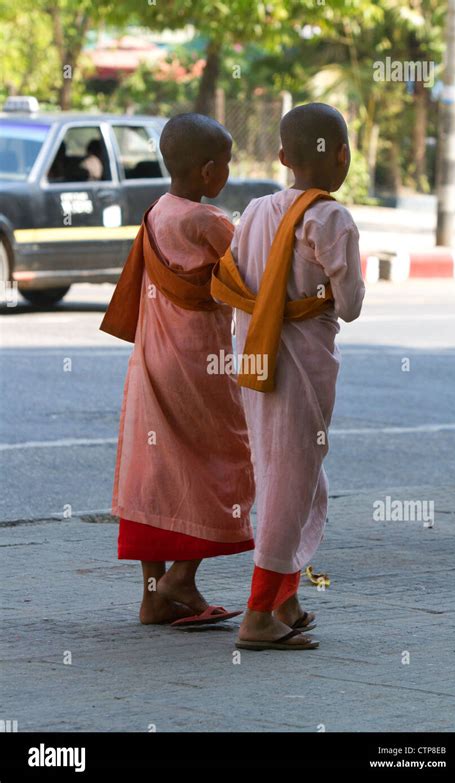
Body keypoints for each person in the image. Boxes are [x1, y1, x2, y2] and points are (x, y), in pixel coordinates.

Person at [211, 103, 365, 650]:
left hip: (252, 356)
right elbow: (348, 307)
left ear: (281, 157)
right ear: (343, 156)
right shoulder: (331, 218)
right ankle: (257, 617)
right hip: (299, 363)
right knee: (289, 484)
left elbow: (233, 273)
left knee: (289, 474)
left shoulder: (253, 209)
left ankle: (287, 599)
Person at [100, 113, 255, 627]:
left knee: (155, 469)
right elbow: (252, 273)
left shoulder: (155, 213)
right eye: (227, 164)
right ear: (210, 171)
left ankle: (154, 596)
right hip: (199, 365)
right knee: (228, 458)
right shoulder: (208, 222)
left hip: (151, 359)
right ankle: (181, 578)